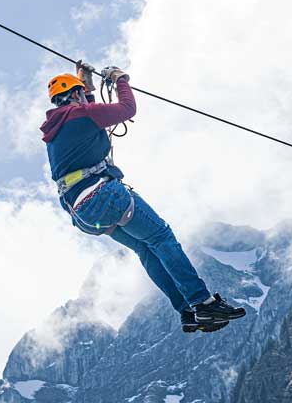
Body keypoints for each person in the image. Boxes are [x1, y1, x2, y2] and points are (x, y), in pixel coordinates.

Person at [41, 62, 246, 333]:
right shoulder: (81, 115)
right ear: (76, 96)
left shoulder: (57, 130)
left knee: (146, 248)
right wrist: (120, 79)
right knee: (161, 238)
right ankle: (203, 303)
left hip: (82, 211)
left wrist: (85, 85)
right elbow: (127, 109)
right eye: (82, 94)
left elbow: (88, 119)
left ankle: (187, 311)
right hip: (104, 194)